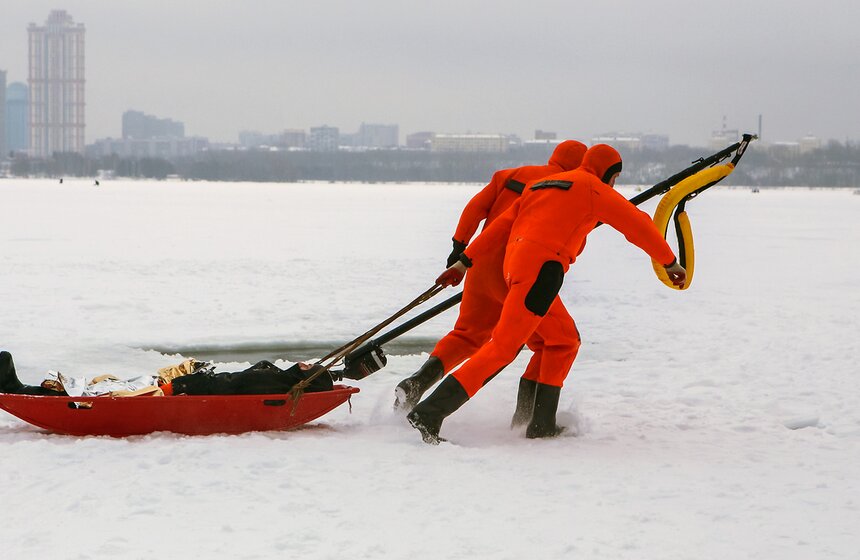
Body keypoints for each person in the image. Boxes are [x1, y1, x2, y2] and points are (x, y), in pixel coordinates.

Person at [407, 144, 686, 444]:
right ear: (608, 172)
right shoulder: (594, 188)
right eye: (614, 178)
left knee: (562, 341)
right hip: (542, 271)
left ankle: (536, 422)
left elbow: (500, 226)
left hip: (513, 266)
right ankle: (430, 413)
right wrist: (669, 261)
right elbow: (638, 225)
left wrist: (464, 262)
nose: (614, 184)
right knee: (502, 347)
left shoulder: (540, 185)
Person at [394, 140, 588, 413]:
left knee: (467, 335)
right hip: (517, 271)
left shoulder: (509, 176)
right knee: (556, 341)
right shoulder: (568, 188)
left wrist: (459, 250)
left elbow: (475, 208)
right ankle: (530, 420)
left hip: (479, 264)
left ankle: (418, 382)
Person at [0, 350, 333, 396]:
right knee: (99, 386)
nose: (305, 363)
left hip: (171, 394)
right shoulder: (275, 375)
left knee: (95, 396)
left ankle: (21, 390)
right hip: (172, 386)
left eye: (308, 368)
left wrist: (183, 382)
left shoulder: (273, 382)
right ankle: (27, 388)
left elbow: (240, 382)